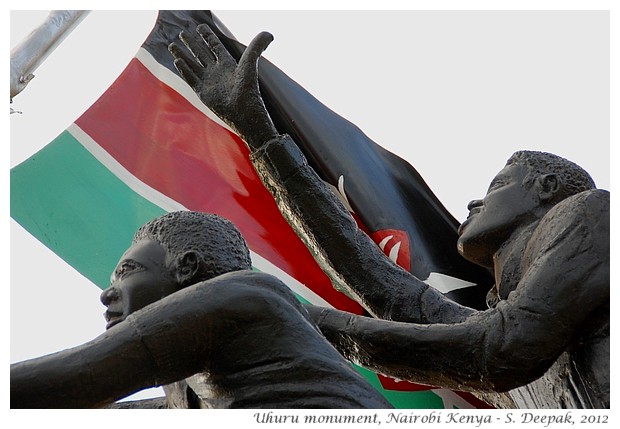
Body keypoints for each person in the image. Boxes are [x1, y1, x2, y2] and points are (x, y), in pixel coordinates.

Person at [169, 24, 609, 408]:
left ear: (546, 188)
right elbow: (378, 282)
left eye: (497, 186)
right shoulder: (500, 323)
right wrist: (261, 135)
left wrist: (302, 319)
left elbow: (502, 349)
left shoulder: (590, 214)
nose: (474, 203)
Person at [10, 211, 393, 409]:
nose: (106, 294)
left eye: (127, 272)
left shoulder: (239, 297)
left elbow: (83, 375)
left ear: (187, 267)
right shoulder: (184, 384)